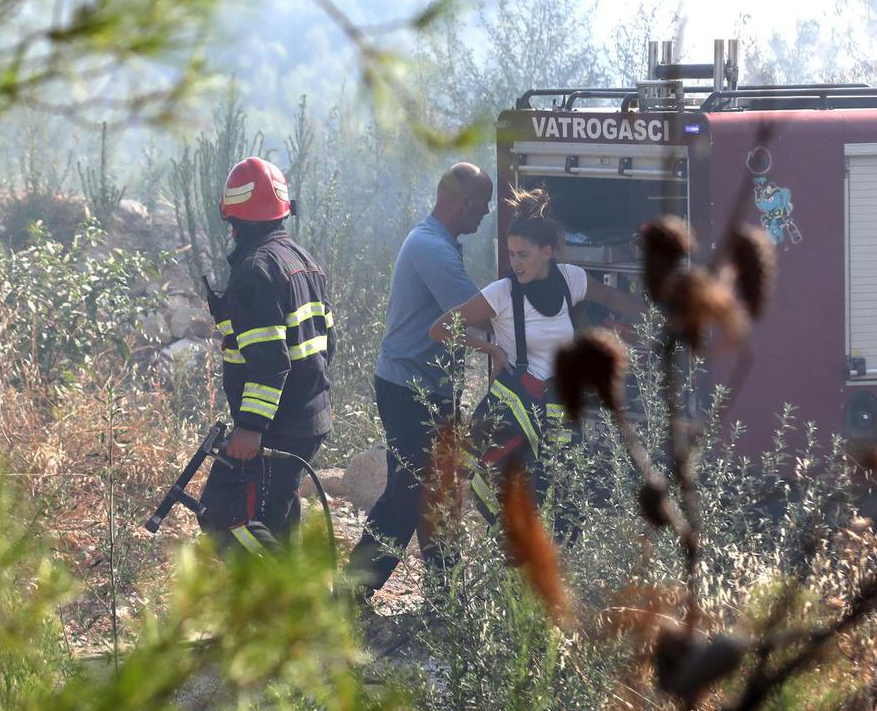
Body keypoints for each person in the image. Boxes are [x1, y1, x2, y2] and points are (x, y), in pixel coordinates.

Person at [428, 187, 643, 523]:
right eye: (512, 254)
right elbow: (440, 328)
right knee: (512, 514)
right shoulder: (501, 292)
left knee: (563, 511)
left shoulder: (571, 279)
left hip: (558, 415)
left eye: (523, 255)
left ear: (547, 252)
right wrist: (491, 348)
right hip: (517, 412)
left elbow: (616, 299)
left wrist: (666, 318)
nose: (515, 263)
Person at [347, 162, 493, 598]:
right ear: (463, 201)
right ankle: (351, 593)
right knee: (409, 492)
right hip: (409, 389)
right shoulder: (432, 248)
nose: (485, 214)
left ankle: (444, 596)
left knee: (439, 493)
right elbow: (477, 310)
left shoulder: (437, 242)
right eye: (483, 204)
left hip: (426, 387)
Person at [198, 157, 335, 556]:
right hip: (309, 418)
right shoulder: (304, 262)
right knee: (273, 512)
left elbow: (271, 362)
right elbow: (328, 346)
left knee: (225, 513)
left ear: (232, 217)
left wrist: (251, 426)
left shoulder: (256, 271)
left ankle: (288, 602)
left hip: (277, 426)